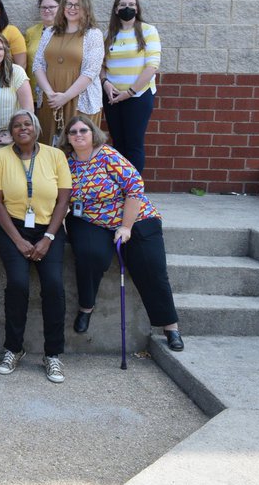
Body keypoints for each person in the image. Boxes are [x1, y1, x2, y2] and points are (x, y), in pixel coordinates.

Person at [61, 114, 183, 350]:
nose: (78, 135)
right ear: (67, 138)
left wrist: (126, 226)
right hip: (92, 220)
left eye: (83, 130)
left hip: (135, 216)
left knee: (151, 265)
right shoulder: (66, 163)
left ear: (93, 133)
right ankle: (86, 307)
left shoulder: (107, 155)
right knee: (90, 255)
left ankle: (170, 326)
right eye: (73, 132)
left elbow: (135, 187)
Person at [0, 109, 72, 383]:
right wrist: (18, 240)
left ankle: (52, 354)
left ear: (36, 129)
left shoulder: (55, 155)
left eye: (27, 124)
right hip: (12, 227)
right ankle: (13, 349)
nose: (22, 128)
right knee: (18, 284)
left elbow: (63, 201)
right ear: (11, 132)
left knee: (54, 286)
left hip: (49, 229)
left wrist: (48, 238)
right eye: (17, 125)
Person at [34, 0, 105, 147]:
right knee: (49, 147)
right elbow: (38, 64)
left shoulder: (93, 34)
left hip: (79, 100)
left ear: (86, 8)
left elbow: (91, 71)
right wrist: (50, 94)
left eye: (77, 5)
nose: (72, 8)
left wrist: (65, 97)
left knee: (79, 147)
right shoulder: (49, 32)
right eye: (68, 4)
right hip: (51, 100)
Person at [101, 0, 161, 173]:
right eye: (123, 5)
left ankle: (134, 187)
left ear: (137, 8)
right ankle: (120, 184)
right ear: (116, 9)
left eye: (131, 5)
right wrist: (105, 83)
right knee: (118, 143)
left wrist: (129, 93)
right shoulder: (109, 34)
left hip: (138, 96)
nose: (127, 8)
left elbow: (152, 66)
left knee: (134, 144)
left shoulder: (148, 31)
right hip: (112, 97)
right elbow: (101, 64)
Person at [24, 0, 61, 105]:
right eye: (43, 7)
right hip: (33, 92)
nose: (47, 10)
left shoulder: (67, 32)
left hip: (58, 92)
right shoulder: (31, 32)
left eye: (51, 7)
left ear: (61, 8)